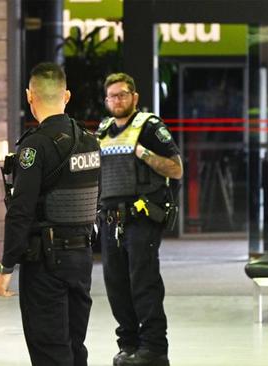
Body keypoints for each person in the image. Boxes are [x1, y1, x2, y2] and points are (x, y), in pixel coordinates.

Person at [0, 62, 101, 366]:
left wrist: (6, 266)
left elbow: (20, 210)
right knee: (74, 347)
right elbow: (96, 197)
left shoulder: (35, 147)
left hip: (45, 263)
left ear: (30, 97)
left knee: (50, 353)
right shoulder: (90, 141)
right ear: (66, 95)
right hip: (81, 260)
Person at [97, 72, 183, 366]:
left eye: (122, 94)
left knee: (143, 284)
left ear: (134, 97)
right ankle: (130, 346)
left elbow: (176, 169)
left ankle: (155, 350)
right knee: (116, 285)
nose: (117, 100)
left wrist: (143, 153)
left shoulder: (150, 128)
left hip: (141, 217)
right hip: (110, 220)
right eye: (112, 96)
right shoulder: (103, 130)